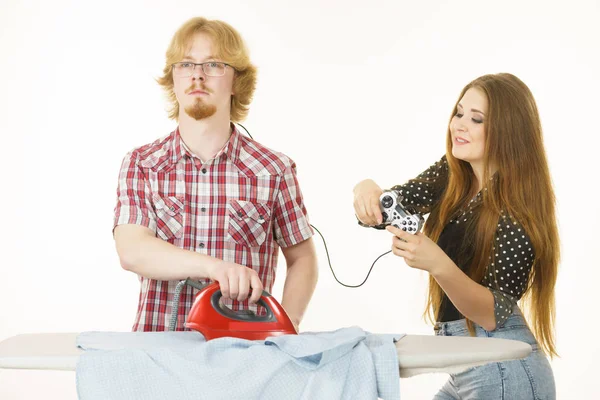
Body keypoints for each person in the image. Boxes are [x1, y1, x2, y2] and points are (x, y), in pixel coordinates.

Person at [353, 73, 558, 399]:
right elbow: (395, 202)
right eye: (459, 113)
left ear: (509, 132)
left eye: (475, 119)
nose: (458, 125)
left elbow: (491, 314)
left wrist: (437, 263)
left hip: (503, 366)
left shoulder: (519, 210)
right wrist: (367, 190)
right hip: (466, 362)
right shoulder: (452, 174)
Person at [113, 17, 318, 332]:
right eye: (186, 64)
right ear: (174, 79)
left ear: (237, 81)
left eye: (213, 65)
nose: (197, 75)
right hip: (157, 354)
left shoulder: (275, 170)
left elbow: (303, 260)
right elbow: (132, 251)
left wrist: (283, 334)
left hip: (246, 354)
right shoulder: (142, 164)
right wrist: (214, 268)